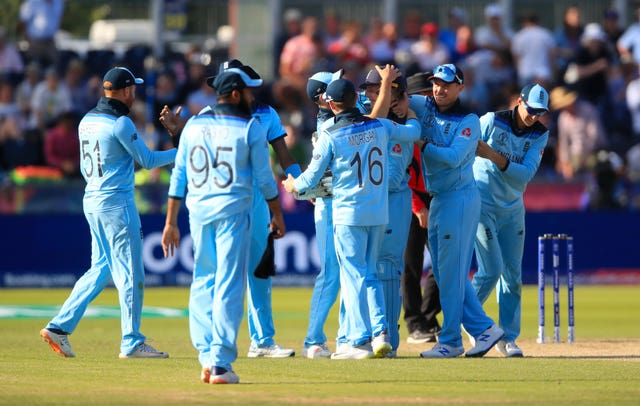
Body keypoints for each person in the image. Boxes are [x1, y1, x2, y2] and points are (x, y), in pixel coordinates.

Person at [160, 59, 298, 359]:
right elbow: (191, 162)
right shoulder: (211, 118)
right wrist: (176, 134)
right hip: (238, 206)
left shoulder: (264, 115)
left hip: (247, 207)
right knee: (223, 278)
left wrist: (301, 184)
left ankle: (260, 341)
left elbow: (283, 157)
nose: (251, 93)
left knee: (256, 273)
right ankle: (218, 353)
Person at [39, 67, 177, 359]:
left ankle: (59, 326)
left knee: (101, 269)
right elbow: (149, 161)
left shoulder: (86, 120)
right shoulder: (121, 123)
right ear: (126, 91)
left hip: (92, 199)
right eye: (134, 89)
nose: (135, 94)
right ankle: (132, 342)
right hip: (117, 204)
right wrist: (184, 149)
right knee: (131, 273)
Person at [283, 71, 421, 359]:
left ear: (332, 103)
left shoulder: (331, 135)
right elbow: (411, 133)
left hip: (347, 211)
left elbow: (309, 180)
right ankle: (379, 332)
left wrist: (292, 185)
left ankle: (356, 340)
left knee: (353, 275)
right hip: (377, 212)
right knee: (367, 273)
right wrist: (412, 117)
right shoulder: (379, 126)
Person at [409, 63, 503, 358]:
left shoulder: (469, 120)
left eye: (447, 84)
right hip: (439, 199)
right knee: (447, 272)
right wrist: (387, 83)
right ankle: (485, 330)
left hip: (460, 200)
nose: (440, 89)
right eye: (436, 83)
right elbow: (397, 97)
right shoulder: (425, 105)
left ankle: (450, 340)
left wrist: (421, 144)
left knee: (450, 274)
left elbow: (451, 157)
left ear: (461, 87)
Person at [471, 83, 550, 358]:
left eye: (539, 112)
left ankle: (508, 338)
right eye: (531, 109)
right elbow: (466, 149)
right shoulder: (492, 120)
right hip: (481, 202)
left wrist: (494, 156)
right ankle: (469, 323)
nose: (534, 116)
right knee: (490, 271)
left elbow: (524, 175)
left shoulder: (540, 134)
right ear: (519, 101)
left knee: (512, 276)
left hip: (513, 207)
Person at [402, 72, 442, 344]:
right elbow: (403, 172)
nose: (431, 100)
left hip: (437, 197)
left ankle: (428, 316)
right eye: (426, 96)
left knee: (444, 263)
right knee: (411, 265)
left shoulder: (437, 124)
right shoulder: (407, 127)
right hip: (413, 199)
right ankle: (415, 322)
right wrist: (418, 206)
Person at [19, 0, 64, 69]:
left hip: (50, 41)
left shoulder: (58, 2)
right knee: (32, 67)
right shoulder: (32, 2)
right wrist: (28, 40)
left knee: (55, 67)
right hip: (35, 41)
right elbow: (23, 22)